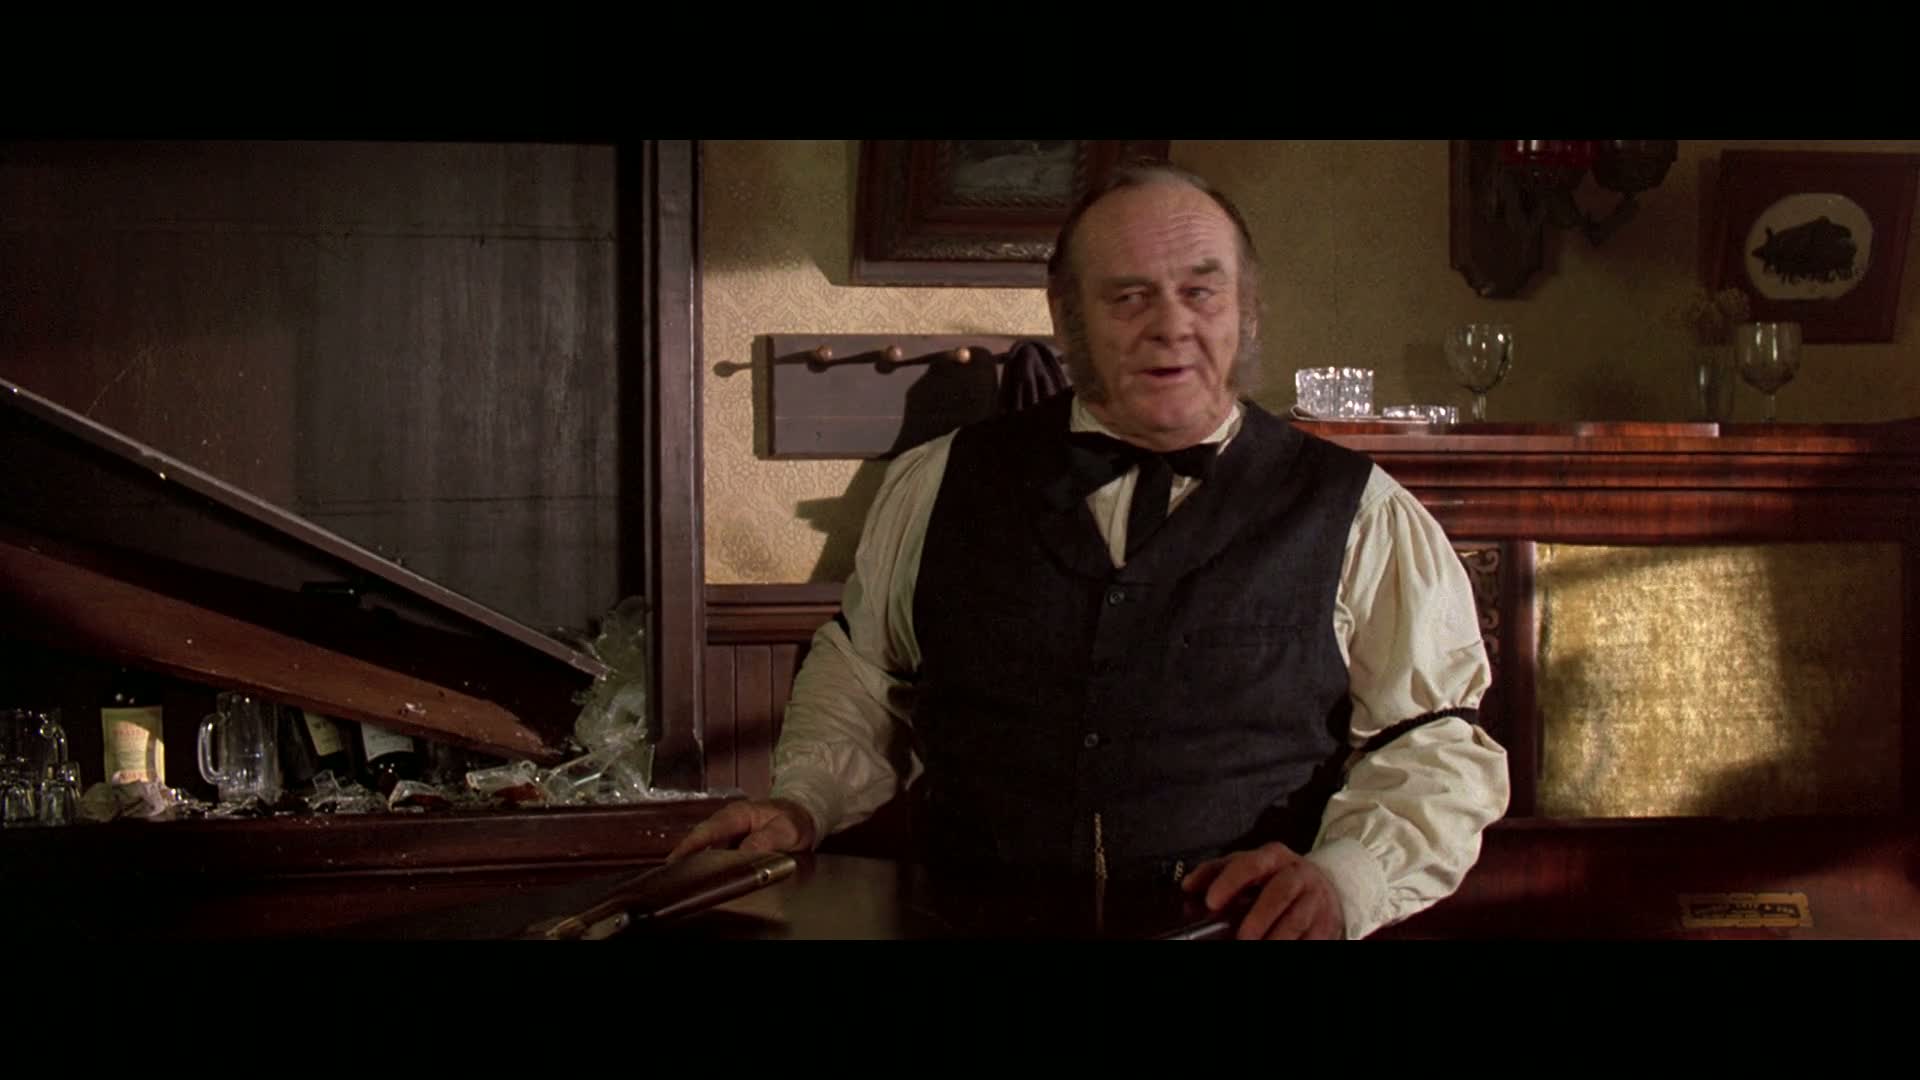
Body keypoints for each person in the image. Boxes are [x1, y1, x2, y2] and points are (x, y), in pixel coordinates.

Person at [672, 161, 1510, 940]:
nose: (1171, 326)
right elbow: (864, 677)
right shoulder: (939, 483)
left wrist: (1348, 876)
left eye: (1201, 292)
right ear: (1065, 317)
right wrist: (804, 802)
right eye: (1128, 297)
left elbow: (1432, 744)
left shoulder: (1360, 511)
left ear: (1248, 311)